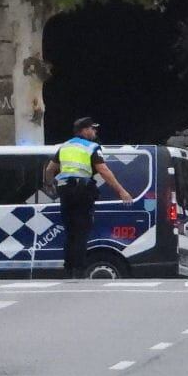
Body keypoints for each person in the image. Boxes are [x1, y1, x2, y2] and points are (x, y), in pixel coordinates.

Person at [49, 117, 133, 279]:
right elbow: (104, 171)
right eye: (93, 129)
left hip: (65, 192)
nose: (95, 132)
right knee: (81, 232)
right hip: (82, 192)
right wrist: (121, 191)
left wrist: (49, 184)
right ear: (84, 130)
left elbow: (50, 169)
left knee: (70, 232)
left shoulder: (64, 147)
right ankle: (78, 271)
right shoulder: (92, 148)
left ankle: (68, 269)